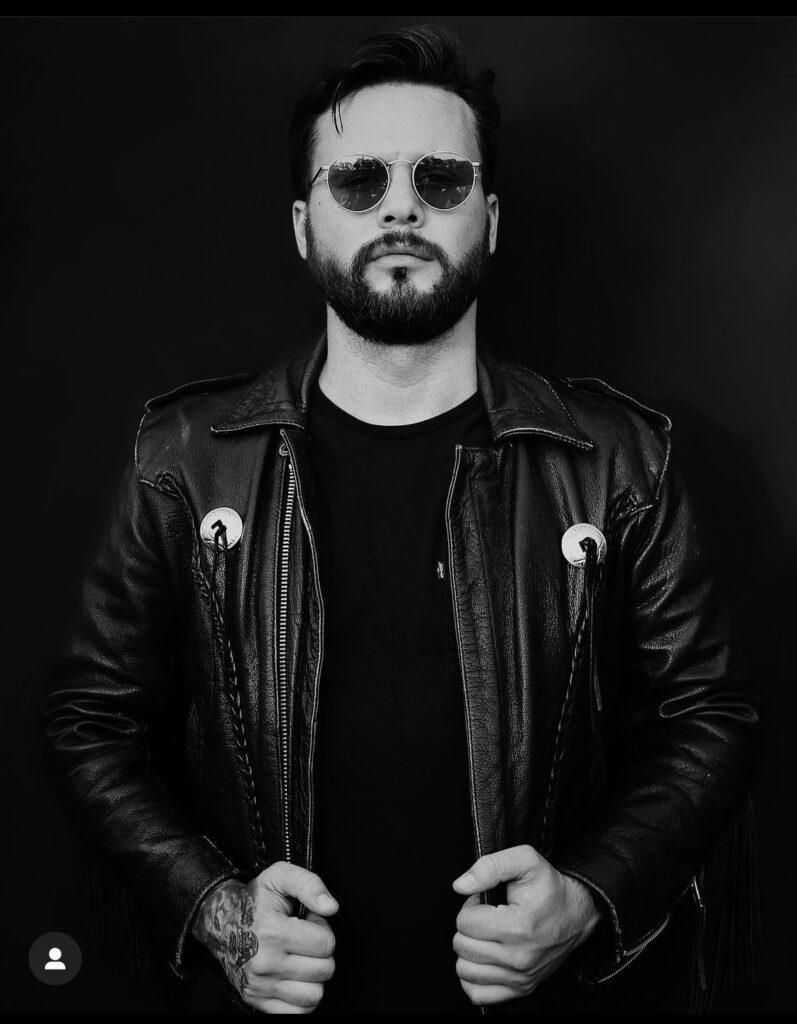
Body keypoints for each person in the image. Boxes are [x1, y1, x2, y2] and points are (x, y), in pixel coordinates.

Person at [40, 23, 761, 1016]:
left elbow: (706, 718)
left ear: (491, 218)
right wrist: (215, 909)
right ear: (303, 223)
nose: (400, 209)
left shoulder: (620, 459)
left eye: (441, 179)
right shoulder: (184, 455)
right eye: (357, 181)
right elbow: (90, 721)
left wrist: (590, 895)